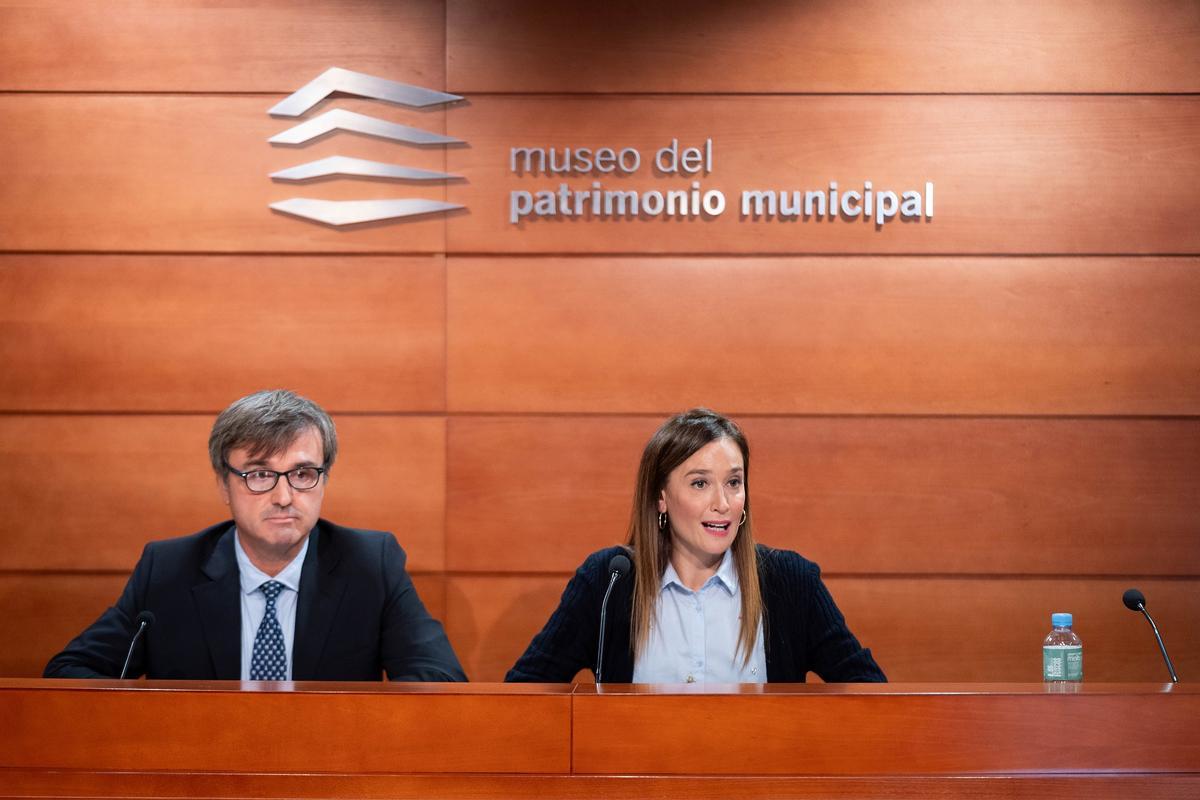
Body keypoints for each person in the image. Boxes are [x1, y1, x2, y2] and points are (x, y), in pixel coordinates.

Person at [45, 389, 466, 682]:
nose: (284, 496)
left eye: (303, 474)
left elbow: (439, 679)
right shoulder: (169, 570)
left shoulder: (370, 565)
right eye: (260, 474)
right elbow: (71, 672)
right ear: (223, 486)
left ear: (324, 481)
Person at [507, 408, 884, 684]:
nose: (722, 502)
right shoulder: (610, 581)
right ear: (661, 498)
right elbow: (523, 694)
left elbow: (871, 696)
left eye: (734, 483)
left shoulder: (791, 581)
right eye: (700, 483)